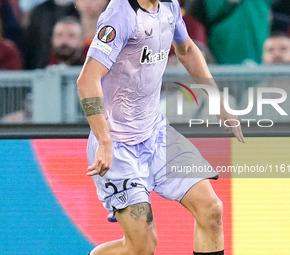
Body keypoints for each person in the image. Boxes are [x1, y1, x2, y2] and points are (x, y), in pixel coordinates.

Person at [77, 0, 245, 254]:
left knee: (211, 210)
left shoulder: (170, 6)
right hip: (119, 145)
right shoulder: (120, 15)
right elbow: (87, 80)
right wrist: (104, 141)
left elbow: (187, 49)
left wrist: (216, 100)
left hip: (156, 133)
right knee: (143, 246)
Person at [239, 33, 290, 122]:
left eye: (283, 49)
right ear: (263, 57)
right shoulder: (251, 96)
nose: (277, 54)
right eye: (270, 50)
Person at [25, 0, 79, 69]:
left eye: (71, 35)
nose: (64, 39)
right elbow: (33, 45)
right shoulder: (41, 10)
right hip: (41, 68)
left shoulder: (79, 9)